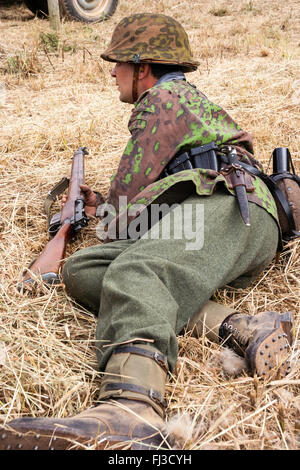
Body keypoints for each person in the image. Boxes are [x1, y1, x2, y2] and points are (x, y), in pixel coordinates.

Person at [1, 13, 293, 451]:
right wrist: (93, 205)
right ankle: (239, 327)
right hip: (230, 214)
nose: (112, 71)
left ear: (143, 67)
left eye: (119, 62)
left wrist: (86, 218)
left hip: (228, 208)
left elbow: (119, 222)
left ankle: (131, 407)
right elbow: (131, 205)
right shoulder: (183, 100)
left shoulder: (160, 101)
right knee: (83, 269)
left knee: (136, 271)